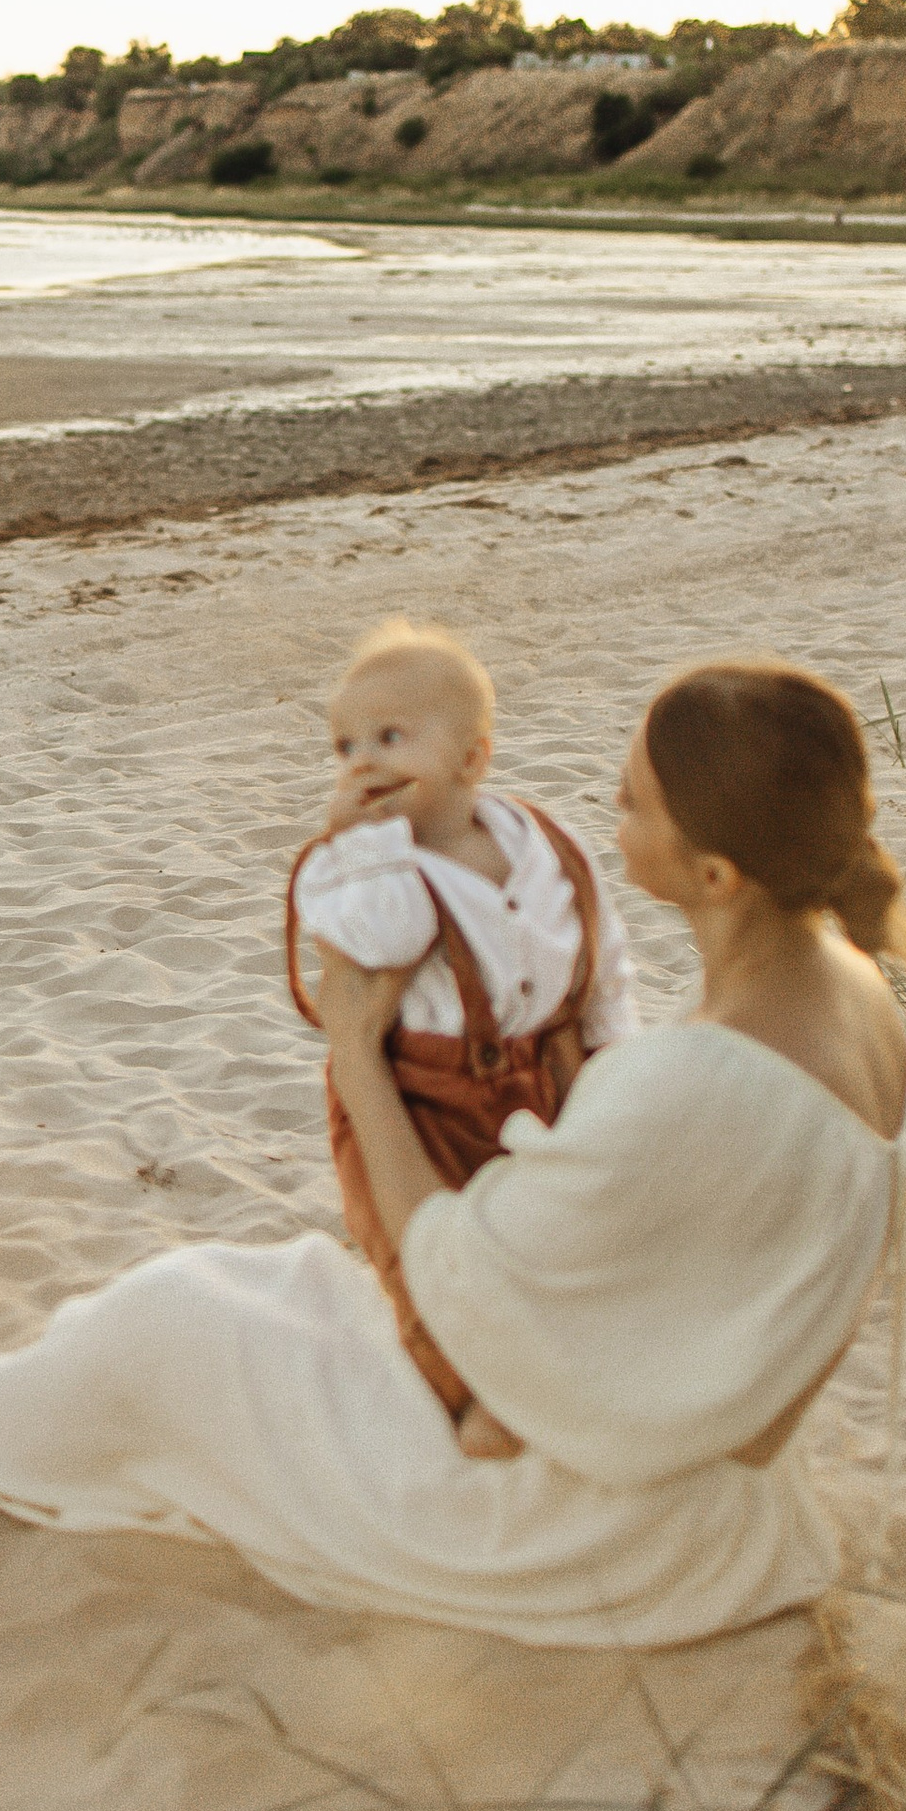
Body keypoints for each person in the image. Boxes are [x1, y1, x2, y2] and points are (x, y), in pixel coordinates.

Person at [0, 661, 906, 1652]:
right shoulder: (862, 1004)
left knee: (168, 1322)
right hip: (713, 1484)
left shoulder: (687, 1080)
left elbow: (459, 1275)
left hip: (588, 1524)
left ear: (712, 871)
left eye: (631, 803)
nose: (607, 818)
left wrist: (359, 1048)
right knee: (266, 1288)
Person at [289, 620, 634, 1451]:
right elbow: (380, 938)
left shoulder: (545, 845)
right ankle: (451, 1393)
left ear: (473, 759)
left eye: (391, 737)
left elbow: (601, 948)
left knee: (539, 1258)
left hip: (543, 1080)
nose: (361, 760)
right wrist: (357, 839)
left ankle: (542, 1381)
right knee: (434, 1280)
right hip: (422, 1100)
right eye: (345, 746)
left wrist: (608, 1050)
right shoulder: (370, 872)